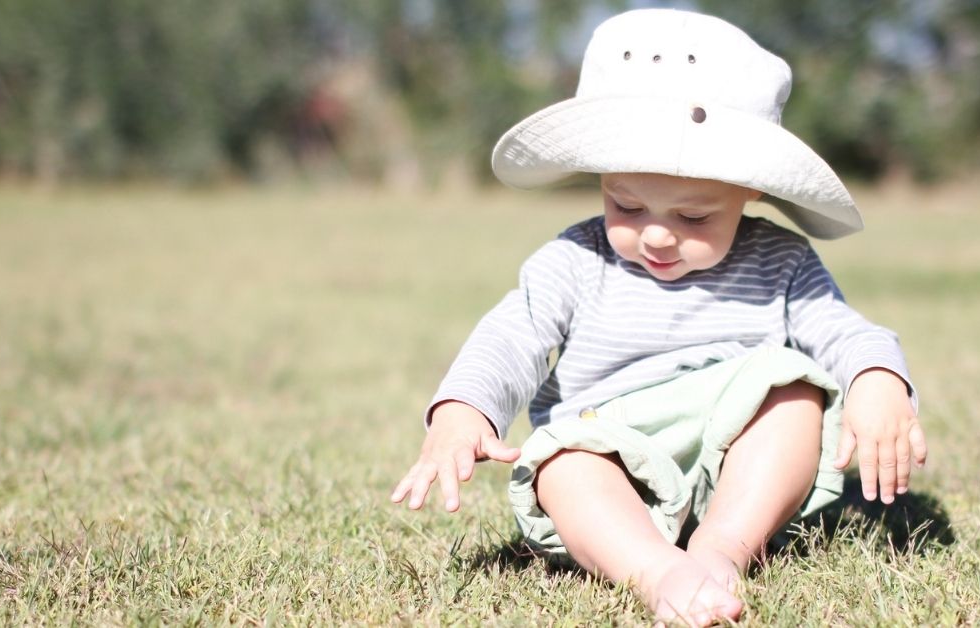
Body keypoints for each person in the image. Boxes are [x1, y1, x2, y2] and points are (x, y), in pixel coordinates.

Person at [391, 9, 928, 625]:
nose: (656, 236)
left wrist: (877, 378)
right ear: (601, 177)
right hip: (610, 447)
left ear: (749, 188)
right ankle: (654, 569)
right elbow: (513, 335)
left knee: (794, 394)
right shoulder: (575, 259)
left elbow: (843, 331)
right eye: (626, 204)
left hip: (733, 459)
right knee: (564, 463)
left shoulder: (780, 260)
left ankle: (724, 546)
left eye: (694, 218)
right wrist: (464, 411)